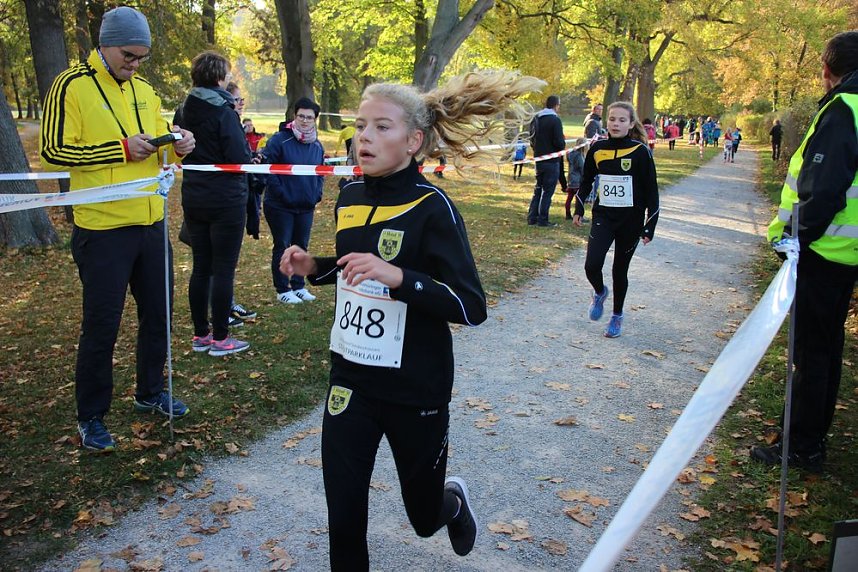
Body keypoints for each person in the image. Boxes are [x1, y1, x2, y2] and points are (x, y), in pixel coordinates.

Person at [278, 71, 540, 570]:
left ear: (414, 141)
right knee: (344, 517)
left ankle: (451, 503)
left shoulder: (432, 207)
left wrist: (402, 278)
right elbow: (357, 266)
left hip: (415, 387)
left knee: (422, 517)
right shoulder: (350, 196)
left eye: (382, 127)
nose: (365, 137)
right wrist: (315, 267)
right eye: (361, 126)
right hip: (351, 379)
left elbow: (471, 306)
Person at [40, 6, 195, 451]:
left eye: (142, 57)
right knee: (102, 325)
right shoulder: (71, 85)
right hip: (103, 228)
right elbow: (53, 150)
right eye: (129, 55)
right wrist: (119, 149)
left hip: (150, 223)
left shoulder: (144, 89)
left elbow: (157, 151)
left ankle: (150, 392)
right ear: (105, 45)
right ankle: (91, 416)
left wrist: (178, 146)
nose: (135, 64)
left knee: (159, 317)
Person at [751, 31, 858, 473]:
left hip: (823, 250)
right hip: (846, 252)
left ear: (828, 69)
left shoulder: (843, 109)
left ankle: (802, 446)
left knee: (813, 353)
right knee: (827, 349)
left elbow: (824, 190)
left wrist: (795, 238)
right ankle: (809, 436)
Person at [180, 52, 252, 357]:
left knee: (201, 267)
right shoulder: (224, 111)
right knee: (222, 269)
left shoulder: (183, 109)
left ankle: (201, 334)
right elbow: (238, 156)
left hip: (194, 196)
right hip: (225, 198)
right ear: (219, 77)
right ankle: (221, 337)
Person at [572, 101, 659, 338]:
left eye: (622, 120)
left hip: (631, 220)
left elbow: (652, 192)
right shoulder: (598, 148)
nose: (616, 124)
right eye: (612, 119)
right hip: (604, 216)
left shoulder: (641, 152)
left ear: (631, 124)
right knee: (591, 265)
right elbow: (587, 180)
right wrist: (579, 207)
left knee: (619, 270)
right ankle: (600, 292)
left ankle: (617, 315)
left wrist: (650, 225)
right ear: (606, 121)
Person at [261, 98, 325, 304]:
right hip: (280, 205)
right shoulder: (279, 140)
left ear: (315, 120)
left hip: (306, 205)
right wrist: (282, 193)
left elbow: (320, 172)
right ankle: (282, 289)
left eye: (309, 117)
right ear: (294, 116)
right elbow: (266, 169)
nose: (304, 121)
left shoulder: (317, 145)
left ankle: (299, 286)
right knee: (282, 245)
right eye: (301, 116)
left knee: (301, 246)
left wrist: (316, 194)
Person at [527, 95, 565, 227]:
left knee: (538, 188)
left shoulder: (536, 118)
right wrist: (562, 146)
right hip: (551, 159)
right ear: (556, 105)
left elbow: (531, 137)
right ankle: (543, 219)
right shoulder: (555, 120)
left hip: (539, 158)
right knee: (548, 191)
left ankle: (532, 217)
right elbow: (559, 142)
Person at [565, 137, 588, 220]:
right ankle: (579, 215)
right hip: (578, 181)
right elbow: (582, 168)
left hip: (571, 180)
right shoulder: (579, 156)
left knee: (569, 198)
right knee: (579, 199)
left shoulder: (570, 154)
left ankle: (568, 214)